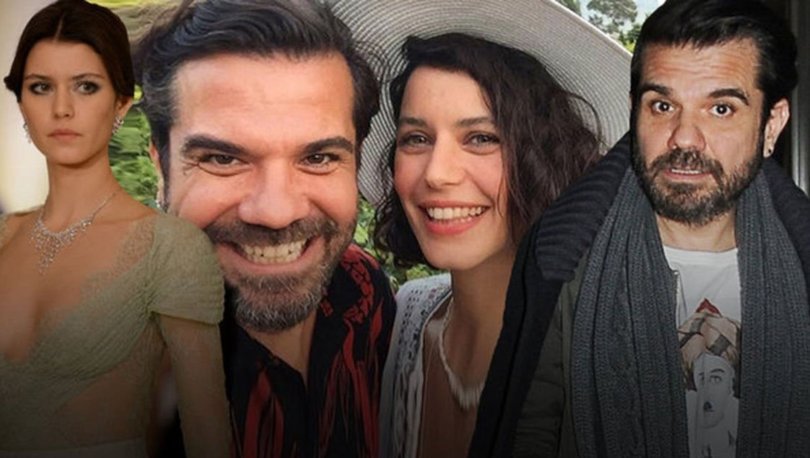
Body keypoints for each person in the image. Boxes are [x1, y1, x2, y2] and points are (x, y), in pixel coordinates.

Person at [473, 0, 810, 456]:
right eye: (663, 105)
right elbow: (528, 434)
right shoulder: (562, 263)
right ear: (635, 111)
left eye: (721, 109)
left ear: (771, 125)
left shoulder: (802, 268)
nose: (684, 137)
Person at [338, 1, 631, 456]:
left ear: (544, 158)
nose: (437, 173)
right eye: (417, 138)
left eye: (480, 138)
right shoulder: (408, 318)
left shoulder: (605, 362)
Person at [132, 0, 396, 456]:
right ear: (161, 167)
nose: (276, 213)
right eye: (223, 159)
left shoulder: (362, 289)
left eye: (318, 157)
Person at [0, 0, 230, 456]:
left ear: (121, 102)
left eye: (86, 86)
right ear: (21, 103)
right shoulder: (4, 237)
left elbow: (209, 437)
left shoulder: (169, 246)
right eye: (41, 87)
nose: (61, 109)